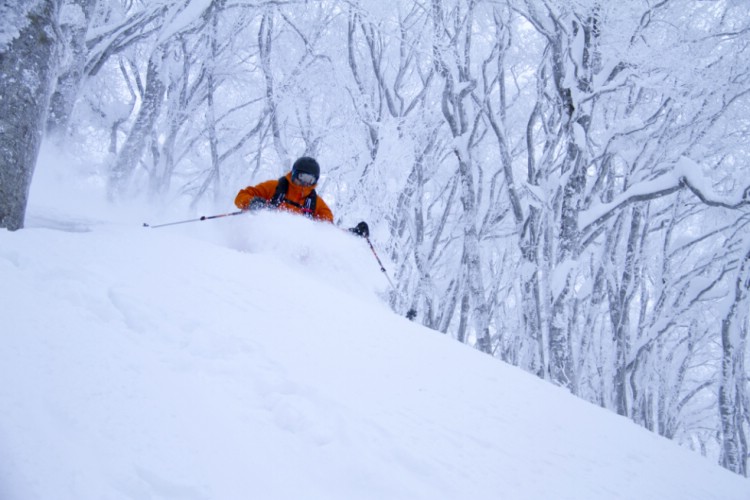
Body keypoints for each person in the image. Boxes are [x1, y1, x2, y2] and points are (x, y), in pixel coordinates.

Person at [234, 156, 369, 237]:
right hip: (262, 237)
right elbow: (241, 197)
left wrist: (353, 233)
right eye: (302, 177)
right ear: (294, 174)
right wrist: (251, 202)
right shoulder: (274, 188)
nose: (305, 183)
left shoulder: (316, 204)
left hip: (293, 252)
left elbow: (327, 232)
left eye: (310, 180)